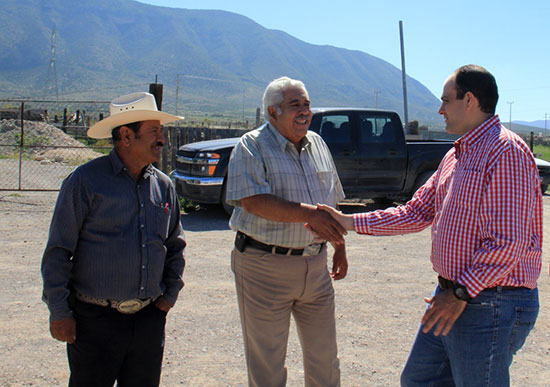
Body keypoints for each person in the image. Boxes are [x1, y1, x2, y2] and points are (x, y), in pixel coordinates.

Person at [315, 65, 542, 386]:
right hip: (457, 294)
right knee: (419, 380)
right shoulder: (458, 154)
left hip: (490, 301)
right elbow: (415, 212)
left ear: (469, 100)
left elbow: (509, 242)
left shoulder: (506, 152)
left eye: (445, 100)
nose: (439, 109)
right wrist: (346, 221)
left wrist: (461, 293)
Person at [41, 92, 186, 387]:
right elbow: (58, 251)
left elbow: (175, 246)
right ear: (125, 135)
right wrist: (59, 310)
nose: (161, 138)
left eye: (161, 131)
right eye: (153, 131)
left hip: (149, 319)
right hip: (95, 322)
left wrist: (168, 297)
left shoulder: (164, 186)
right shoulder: (85, 182)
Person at [226, 76, 348, 386]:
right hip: (264, 266)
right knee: (267, 364)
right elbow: (252, 201)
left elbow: (331, 202)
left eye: (307, 104)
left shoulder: (318, 144)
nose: (305, 111)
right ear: (272, 113)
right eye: (295, 105)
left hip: (315, 267)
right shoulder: (251, 146)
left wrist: (339, 246)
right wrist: (307, 213)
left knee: (325, 360)